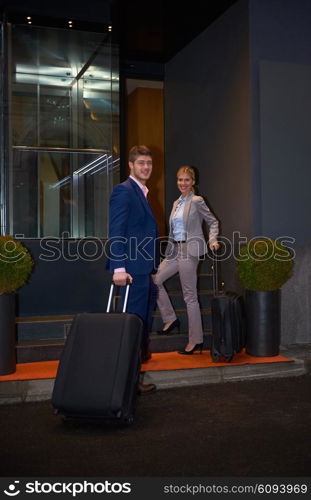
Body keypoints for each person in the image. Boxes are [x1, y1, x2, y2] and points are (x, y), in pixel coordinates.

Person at [106, 145, 159, 394]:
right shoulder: (124, 191)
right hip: (130, 273)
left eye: (148, 162)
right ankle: (123, 384)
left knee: (139, 327)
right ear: (130, 165)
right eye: (141, 163)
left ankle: (133, 381)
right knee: (130, 328)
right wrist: (118, 267)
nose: (146, 167)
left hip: (143, 271)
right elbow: (116, 232)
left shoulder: (143, 192)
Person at [154, 166, 219, 354]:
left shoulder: (197, 201)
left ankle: (196, 340)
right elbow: (174, 230)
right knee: (154, 281)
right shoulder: (176, 203)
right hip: (175, 250)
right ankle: (170, 318)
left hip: (190, 251)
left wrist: (212, 239)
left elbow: (212, 222)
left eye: (187, 180)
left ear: (193, 182)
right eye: (180, 180)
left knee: (189, 297)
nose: (183, 183)